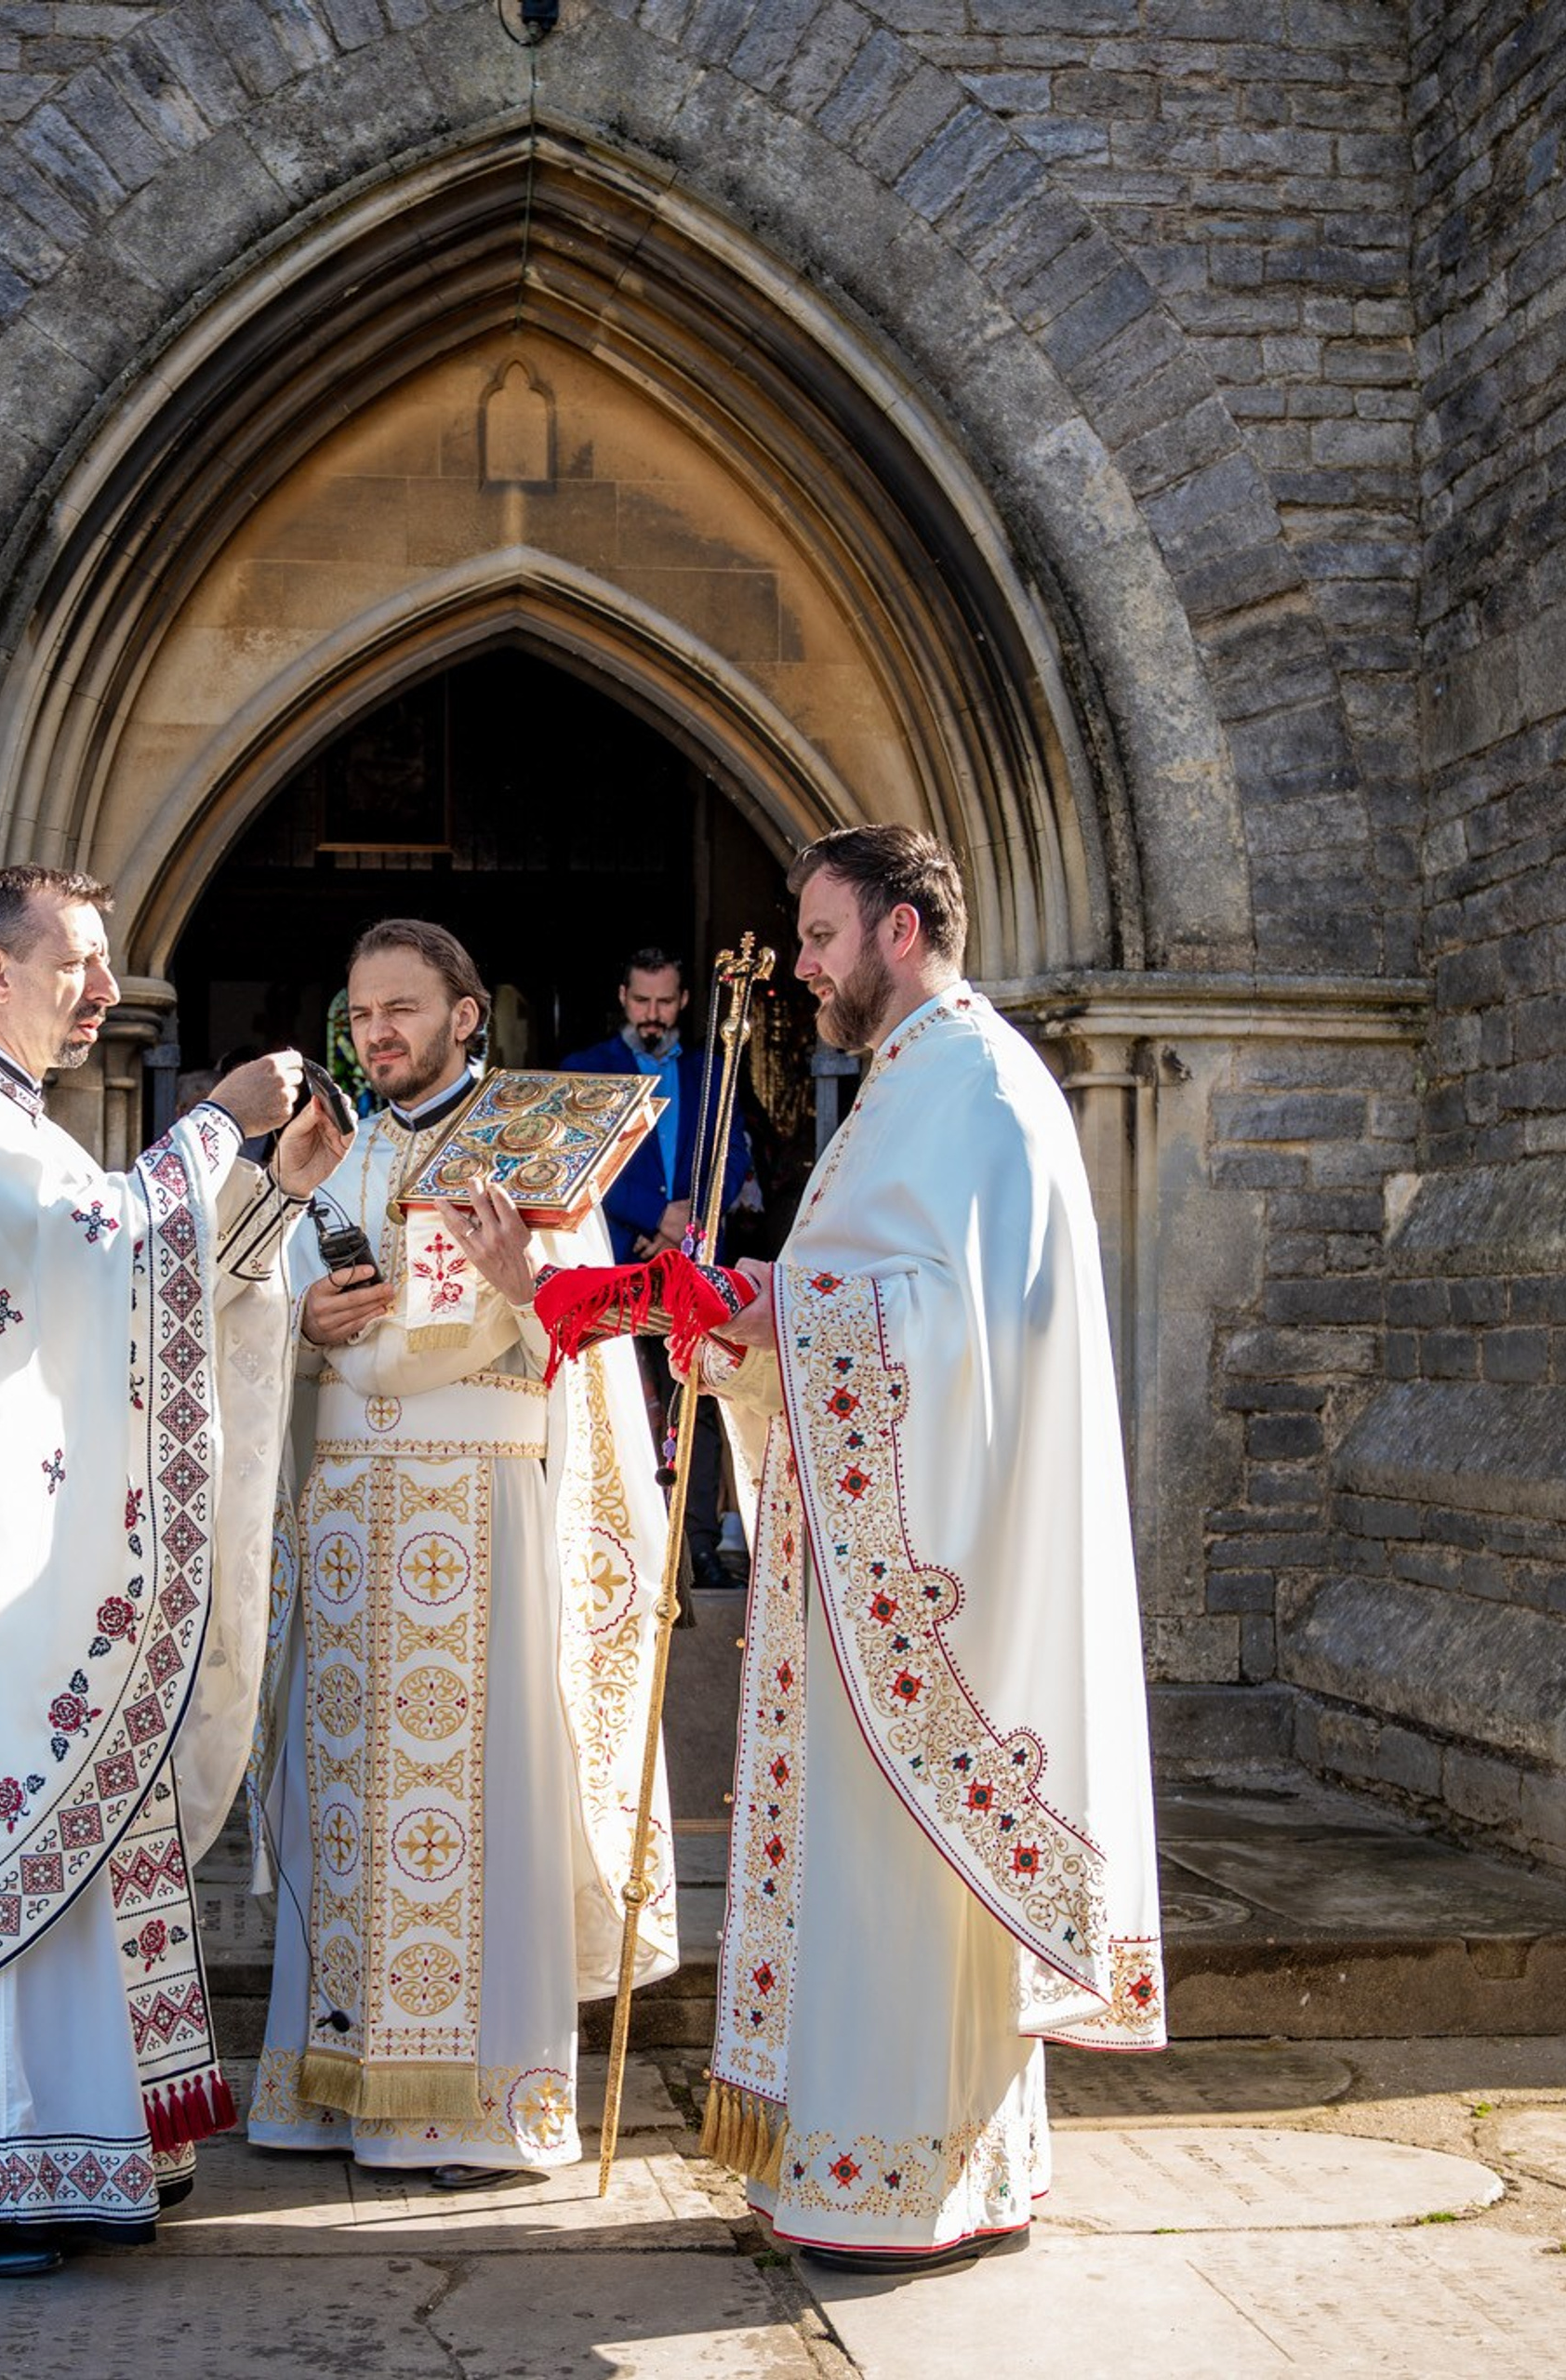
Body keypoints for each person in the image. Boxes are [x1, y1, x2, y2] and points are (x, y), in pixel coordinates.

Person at [0, 864, 348, 2278]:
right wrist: (216, 1118)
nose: (102, 991)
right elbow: (94, 1241)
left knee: (70, 1841)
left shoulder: (8, 1121)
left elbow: (125, 1280)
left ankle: (75, 2154)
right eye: (78, 963)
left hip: (30, 1560)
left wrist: (274, 1194)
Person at [686, 825, 1165, 2271]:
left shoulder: (979, 1084)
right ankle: (878, 2166)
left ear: (901, 930)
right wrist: (763, 1312)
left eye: (822, 936)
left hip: (930, 1578)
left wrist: (789, 1315)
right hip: (857, 1559)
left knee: (895, 1876)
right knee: (860, 1875)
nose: (803, 966)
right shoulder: (909, 1082)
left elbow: (983, 1341)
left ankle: (897, 2183)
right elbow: (881, 1294)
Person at [246, 919, 678, 2186]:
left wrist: (529, 1270)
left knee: (482, 1811)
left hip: (480, 1521)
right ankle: (334, 2088)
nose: (377, 1031)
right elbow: (274, 1309)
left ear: (464, 1015)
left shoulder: (539, 1145)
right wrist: (299, 1317)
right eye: (360, 1012)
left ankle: (481, 2105)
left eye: (401, 1008)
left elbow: (588, 1339)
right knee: (345, 1813)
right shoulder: (333, 1154)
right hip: (344, 1524)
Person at [564, 947, 758, 1597]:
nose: (653, 1015)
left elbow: (733, 1153)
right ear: (623, 997)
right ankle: (620, 1543)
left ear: (683, 1002)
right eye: (642, 1001)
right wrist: (652, 1220)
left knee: (696, 1398)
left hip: (692, 1262)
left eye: (665, 1002)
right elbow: (582, 1161)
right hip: (619, 1260)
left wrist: (691, 1222)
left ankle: (695, 1546)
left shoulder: (712, 1071)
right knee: (618, 1399)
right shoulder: (586, 1070)